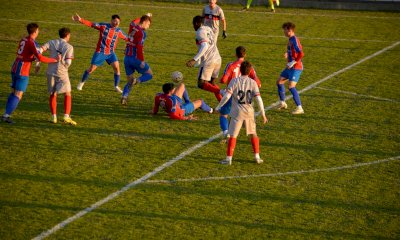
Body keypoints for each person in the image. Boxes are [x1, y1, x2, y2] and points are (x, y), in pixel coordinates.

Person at [1, 23, 59, 124]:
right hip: (22, 70)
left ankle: (6, 113)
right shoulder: (32, 43)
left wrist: (33, 59)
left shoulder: (24, 39)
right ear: (35, 31)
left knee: (13, 92)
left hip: (15, 67)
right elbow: (39, 57)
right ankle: (6, 116)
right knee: (18, 94)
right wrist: (54, 60)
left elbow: (25, 54)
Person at [215, 61, 268, 165]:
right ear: (250, 71)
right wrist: (263, 114)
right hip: (249, 112)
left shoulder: (234, 81)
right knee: (253, 134)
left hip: (237, 112)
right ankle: (257, 157)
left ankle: (228, 159)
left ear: (240, 70)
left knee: (233, 135)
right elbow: (259, 99)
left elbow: (227, 96)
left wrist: (219, 106)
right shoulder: (253, 82)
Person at [72, 13, 127, 93]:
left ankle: (116, 86)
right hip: (100, 52)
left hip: (111, 53)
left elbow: (128, 39)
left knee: (117, 68)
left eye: (118, 22)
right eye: (115, 21)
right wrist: (80, 20)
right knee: (91, 69)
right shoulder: (104, 26)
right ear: (111, 21)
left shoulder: (118, 31)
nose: (117, 23)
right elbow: (91, 24)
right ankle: (81, 83)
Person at [219, 46, 261, 142]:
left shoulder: (231, 65)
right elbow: (258, 83)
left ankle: (226, 133)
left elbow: (223, 79)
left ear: (235, 54)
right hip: (244, 97)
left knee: (223, 114)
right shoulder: (249, 66)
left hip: (231, 94)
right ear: (245, 54)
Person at [40, 27, 76, 125]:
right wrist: (62, 61)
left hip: (50, 71)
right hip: (62, 73)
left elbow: (40, 49)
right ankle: (66, 116)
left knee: (52, 94)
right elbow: (68, 63)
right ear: (68, 35)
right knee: (67, 93)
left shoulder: (51, 42)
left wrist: (38, 61)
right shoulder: (69, 47)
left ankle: (53, 117)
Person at [186, 15, 222, 102]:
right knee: (212, 83)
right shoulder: (208, 29)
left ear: (197, 23)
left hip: (209, 60)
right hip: (217, 58)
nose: (193, 26)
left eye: (193, 24)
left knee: (201, 84)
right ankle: (223, 103)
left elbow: (205, 46)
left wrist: (194, 59)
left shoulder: (199, 32)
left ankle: (223, 92)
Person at [121, 15, 153, 105]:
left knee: (129, 81)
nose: (148, 26)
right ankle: (137, 80)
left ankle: (124, 97)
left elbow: (132, 21)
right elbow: (139, 47)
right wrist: (142, 60)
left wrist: (144, 16)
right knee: (149, 74)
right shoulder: (142, 33)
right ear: (145, 22)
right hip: (135, 58)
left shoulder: (132, 27)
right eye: (148, 24)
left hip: (126, 58)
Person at [276, 22, 304, 114]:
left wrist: (293, 62)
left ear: (290, 30)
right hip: (290, 67)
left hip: (296, 67)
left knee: (291, 86)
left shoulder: (294, 40)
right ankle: (283, 103)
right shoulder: (290, 39)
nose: (283, 31)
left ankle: (299, 108)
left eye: (285, 30)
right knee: (279, 82)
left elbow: (301, 53)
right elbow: (293, 51)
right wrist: (288, 54)